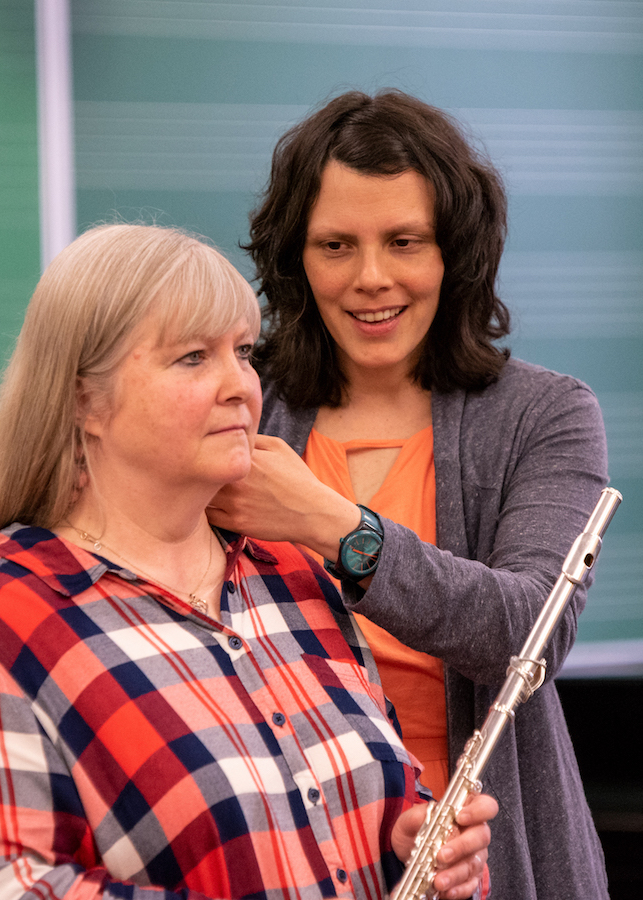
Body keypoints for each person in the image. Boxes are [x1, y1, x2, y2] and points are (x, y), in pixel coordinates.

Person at [0, 223, 496, 900]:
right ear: (85, 401)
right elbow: (11, 882)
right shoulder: (12, 615)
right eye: (193, 357)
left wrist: (408, 846)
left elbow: (389, 799)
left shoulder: (292, 571)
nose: (242, 388)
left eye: (244, 352)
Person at [206, 91, 611, 900]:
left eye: (404, 241)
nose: (371, 278)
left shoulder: (548, 413)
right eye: (335, 245)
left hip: (490, 863)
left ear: (453, 253)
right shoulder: (242, 404)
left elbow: (525, 634)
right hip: (287, 859)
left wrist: (331, 524)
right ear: (297, 257)